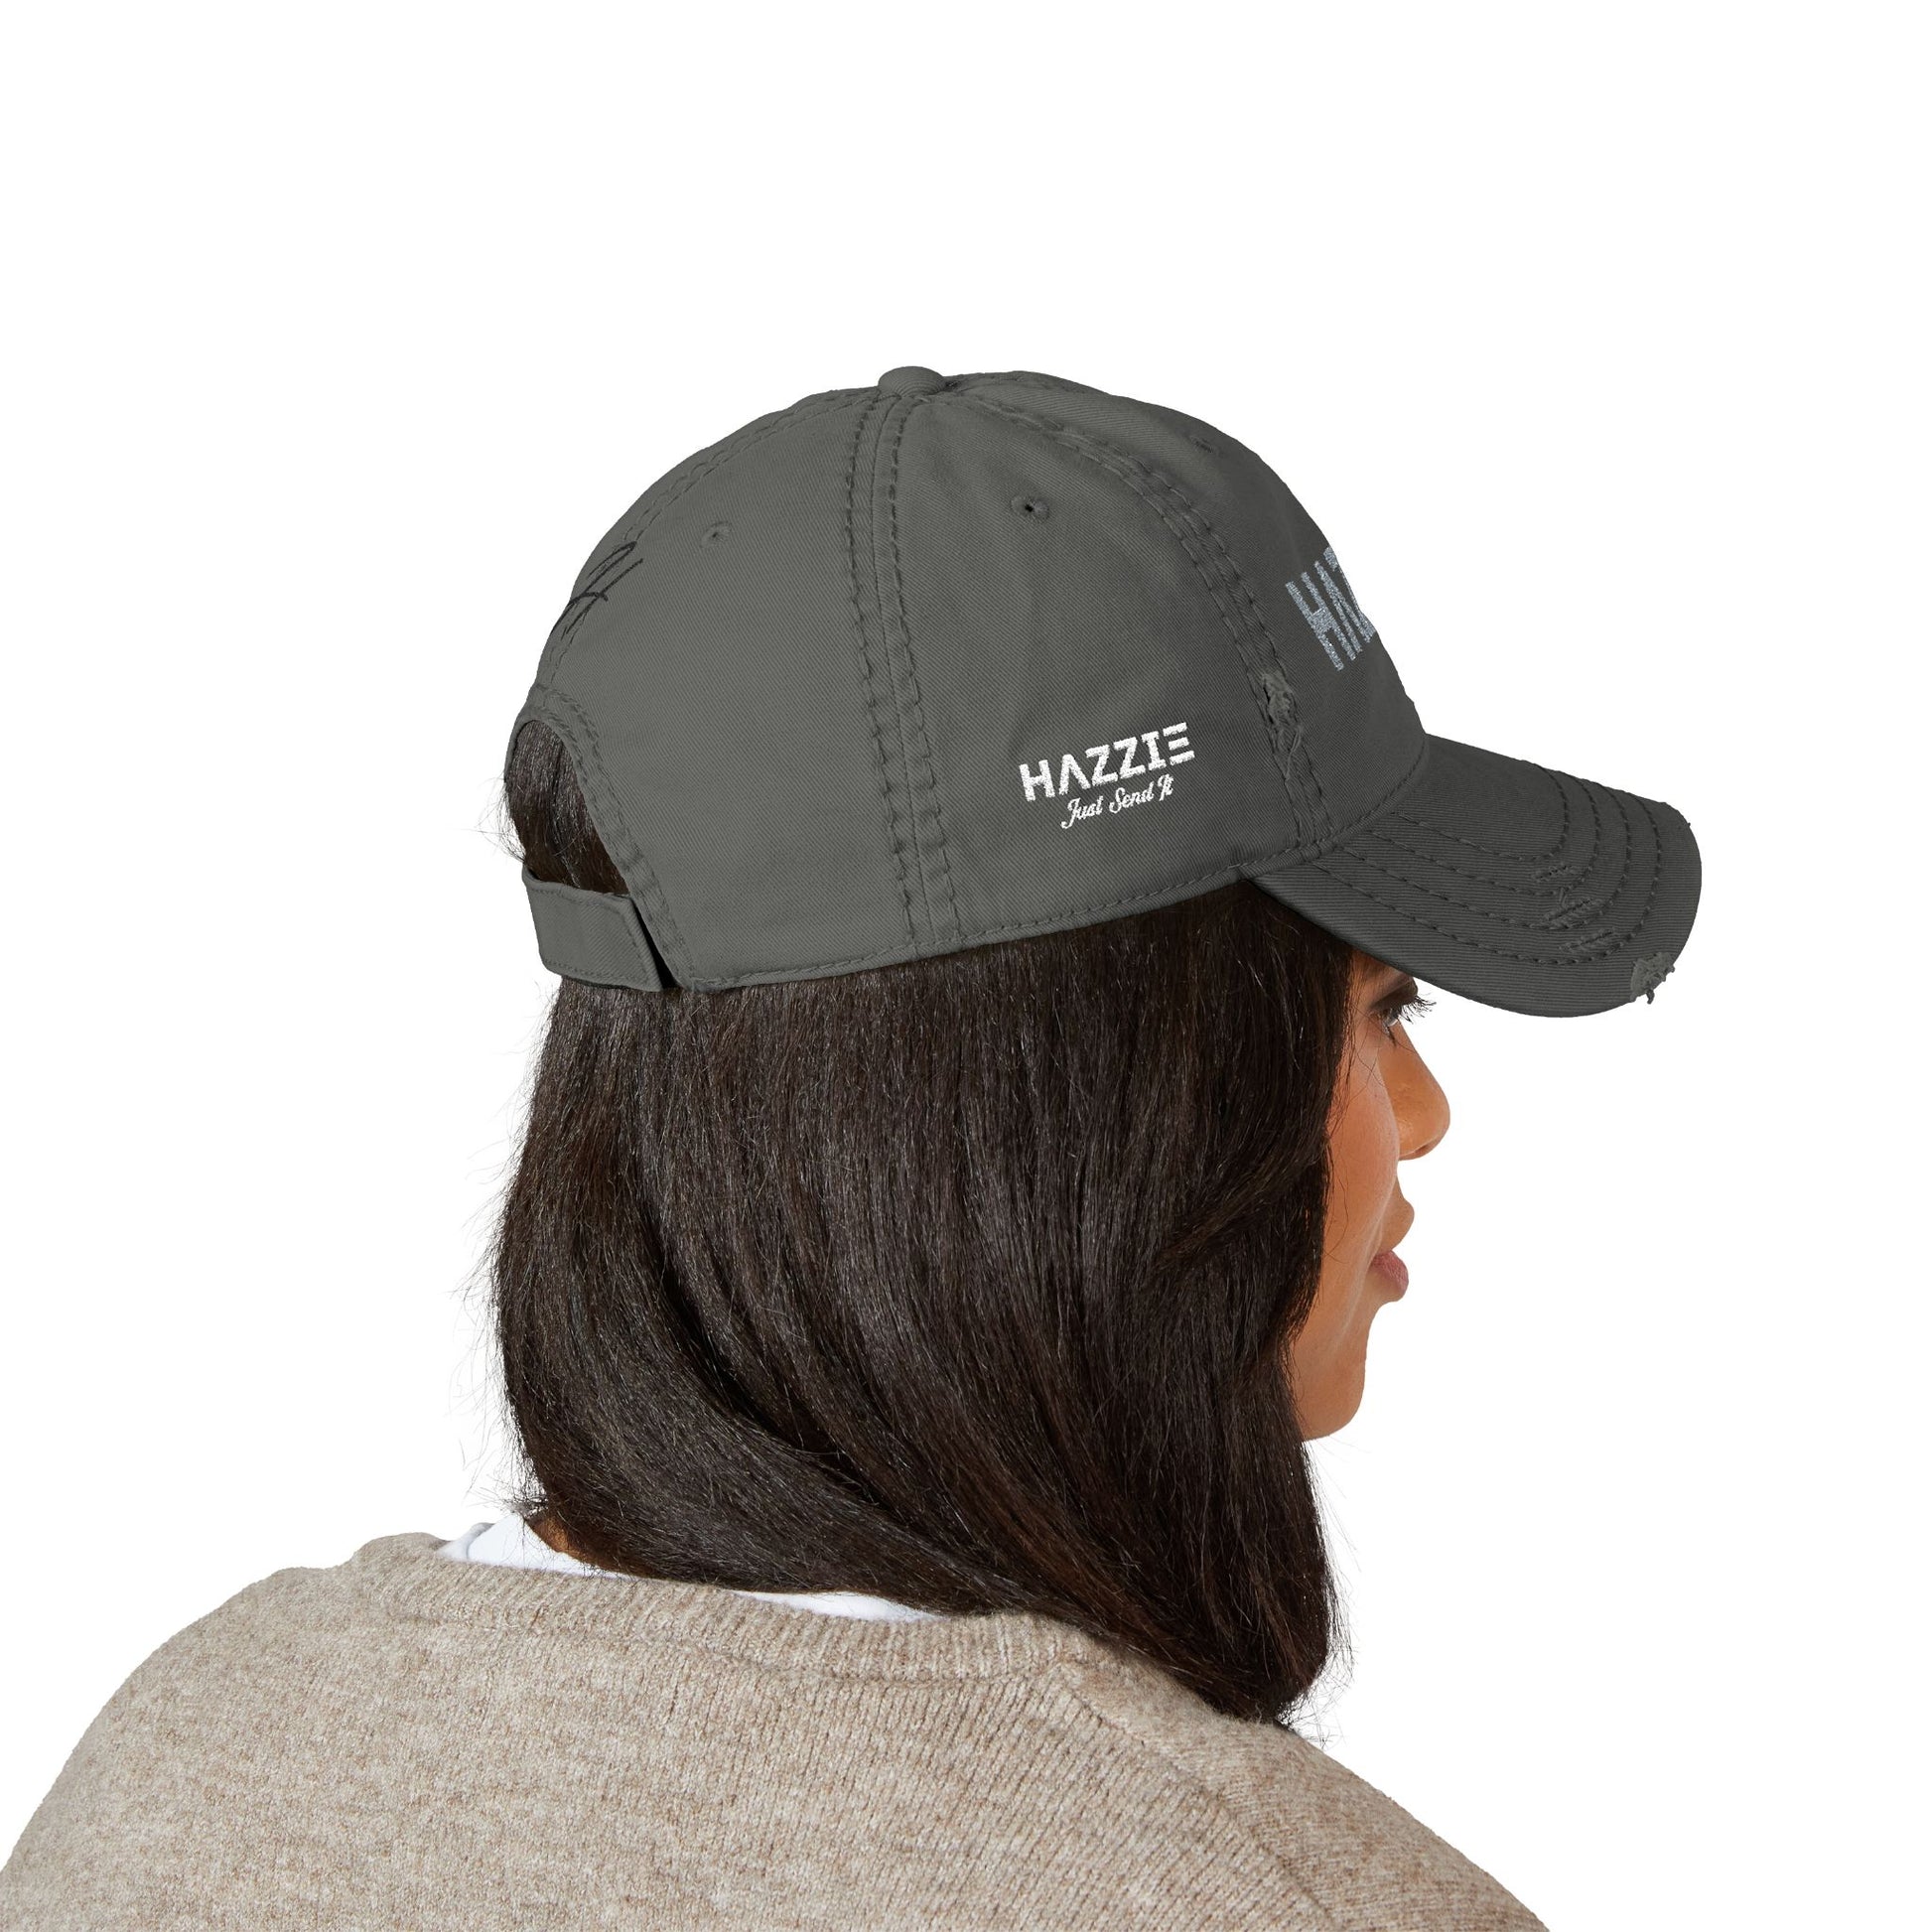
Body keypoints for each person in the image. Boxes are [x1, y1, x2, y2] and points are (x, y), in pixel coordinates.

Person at [0, 366, 1700, 1929]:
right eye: (1381, 1005)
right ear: (1117, 1101)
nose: (1422, 1112)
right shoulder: (1292, 1901)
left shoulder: (184, 1769)